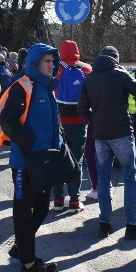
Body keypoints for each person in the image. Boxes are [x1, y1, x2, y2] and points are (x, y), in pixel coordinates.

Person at [0, 43, 62, 272]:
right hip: (24, 162)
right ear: (35, 64)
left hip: (44, 162)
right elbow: (7, 120)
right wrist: (26, 140)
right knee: (24, 211)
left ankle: (20, 246)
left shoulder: (46, 89)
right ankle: (28, 263)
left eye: (53, 61)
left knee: (43, 208)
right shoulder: (22, 86)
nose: (52, 65)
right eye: (48, 61)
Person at [79, 45, 136, 240]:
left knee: (103, 179)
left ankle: (104, 223)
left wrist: (93, 122)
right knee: (131, 178)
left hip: (100, 135)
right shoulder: (119, 75)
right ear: (116, 59)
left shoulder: (90, 78)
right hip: (121, 132)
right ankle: (132, 224)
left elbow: (81, 108)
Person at [52, 40, 92, 213]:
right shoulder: (86, 70)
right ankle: (74, 201)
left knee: (57, 160)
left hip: (59, 122)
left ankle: (58, 200)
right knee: (76, 160)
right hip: (79, 122)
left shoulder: (54, 69)